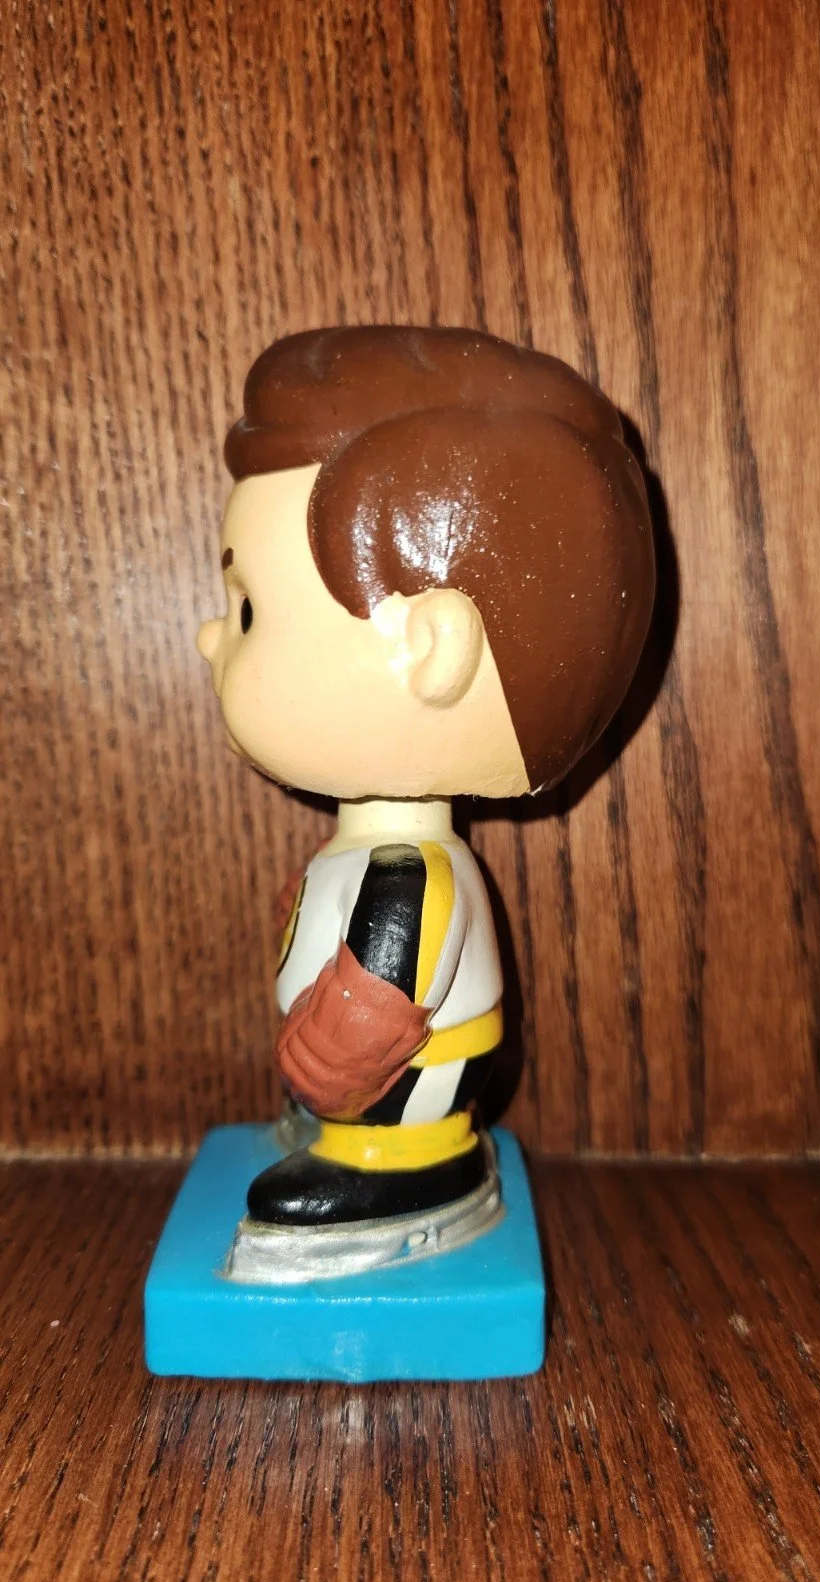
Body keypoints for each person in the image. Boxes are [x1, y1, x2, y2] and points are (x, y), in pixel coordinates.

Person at [197, 326, 654, 1265]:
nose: (212, 637)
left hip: (403, 1099)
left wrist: (329, 1067)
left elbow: (378, 1002)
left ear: (432, 651)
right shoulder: (378, 854)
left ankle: (402, 1163)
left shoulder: (406, 877)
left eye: (247, 611)